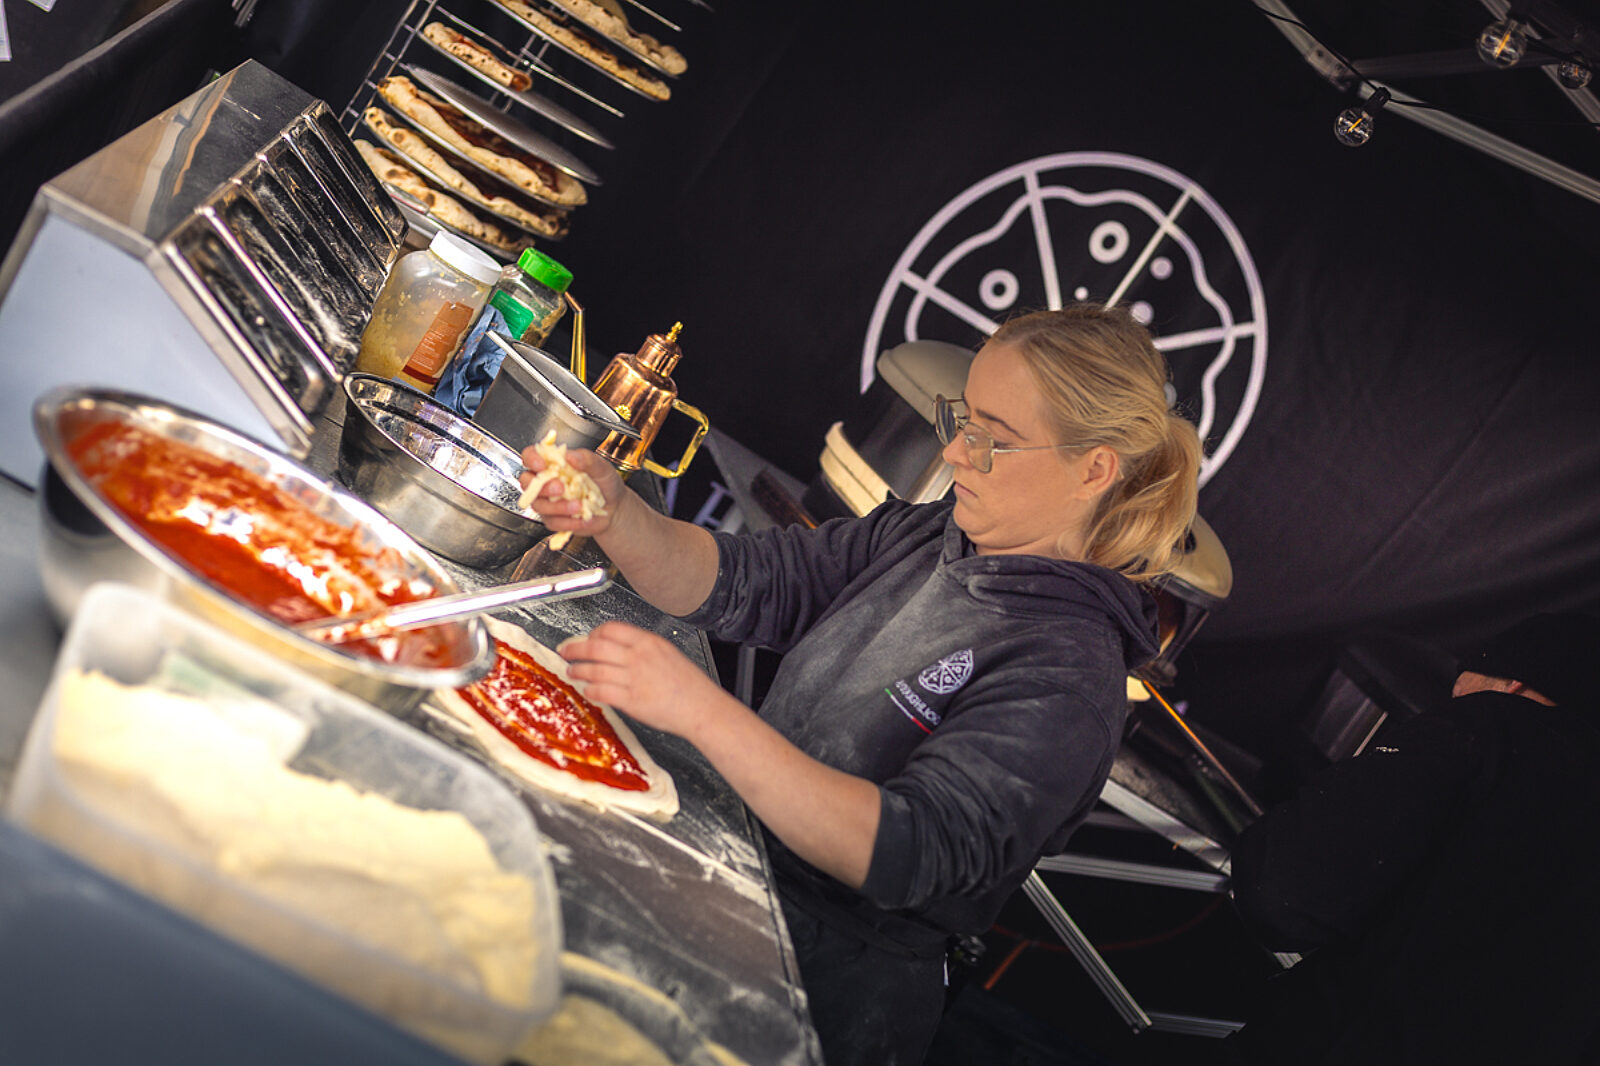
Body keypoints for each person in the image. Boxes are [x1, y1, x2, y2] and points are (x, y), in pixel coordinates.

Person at [520, 304, 1202, 1065]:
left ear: (1094, 470)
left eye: (993, 438)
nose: (955, 450)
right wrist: (617, 516)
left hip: (822, 990)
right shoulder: (929, 533)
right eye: (961, 419)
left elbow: (908, 849)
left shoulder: (1067, 680)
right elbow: (750, 581)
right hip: (730, 881)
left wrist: (702, 711)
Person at [1226, 612, 1600, 1065]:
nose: (1448, 705)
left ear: (1514, 686)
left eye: (1459, 696)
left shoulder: (1491, 724)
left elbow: (1279, 892)